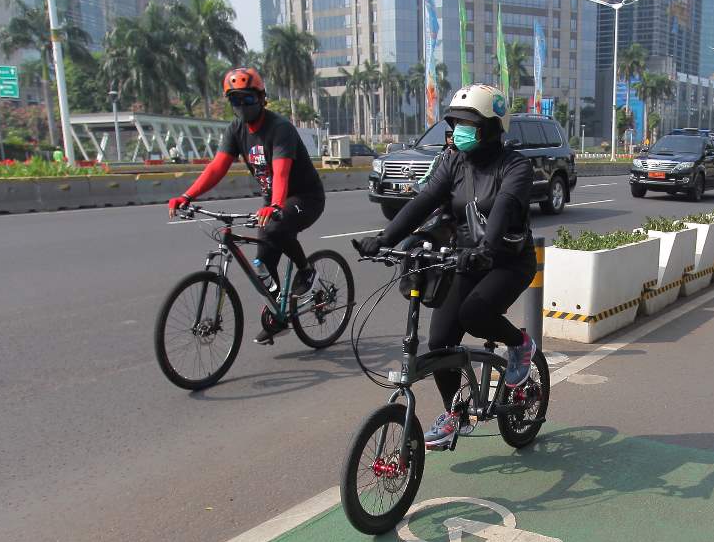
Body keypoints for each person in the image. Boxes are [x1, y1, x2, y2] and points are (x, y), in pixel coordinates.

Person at [354, 84, 536, 451]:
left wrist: (486, 248)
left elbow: (502, 209)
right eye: (455, 123)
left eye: (470, 123)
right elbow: (424, 201)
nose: (459, 130)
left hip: (507, 261)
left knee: (474, 314)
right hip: (463, 258)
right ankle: (455, 414)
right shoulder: (453, 162)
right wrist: (384, 238)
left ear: (493, 127)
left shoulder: (515, 166)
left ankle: (520, 345)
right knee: (439, 342)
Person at [167, 68, 327, 344]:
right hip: (274, 200)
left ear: (262, 98)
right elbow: (217, 167)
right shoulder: (236, 130)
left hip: (304, 197)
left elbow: (281, 173)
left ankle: (306, 270)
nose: (242, 106)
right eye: (236, 100)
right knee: (262, 263)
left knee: (277, 226)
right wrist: (187, 196)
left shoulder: (280, 129)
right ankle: (280, 315)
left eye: (248, 99)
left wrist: (276, 205)